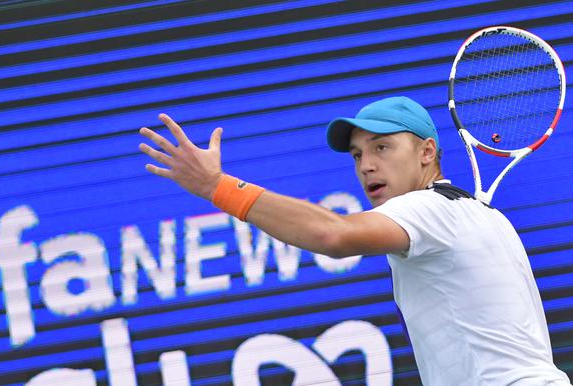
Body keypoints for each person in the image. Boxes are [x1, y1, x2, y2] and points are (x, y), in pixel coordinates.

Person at [139, 96, 571, 385]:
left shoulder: (429, 208)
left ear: (426, 153)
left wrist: (218, 186)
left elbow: (333, 234)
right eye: (358, 155)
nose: (366, 165)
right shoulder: (479, 215)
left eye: (382, 148)